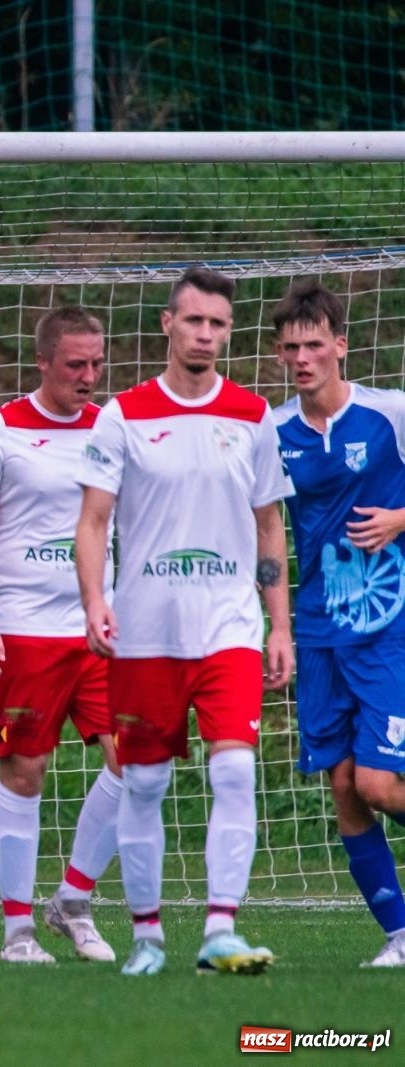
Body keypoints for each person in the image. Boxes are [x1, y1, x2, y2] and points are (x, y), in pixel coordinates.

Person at [75, 266, 293, 976]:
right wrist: (94, 599)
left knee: (235, 771)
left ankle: (220, 929)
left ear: (229, 332)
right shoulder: (123, 414)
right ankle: (147, 937)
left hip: (229, 629)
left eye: (217, 324)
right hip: (145, 633)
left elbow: (269, 526)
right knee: (144, 783)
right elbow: (93, 519)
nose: (205, 334)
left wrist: (279, 626)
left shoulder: (253, 416)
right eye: (193, 320)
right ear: (168, 324)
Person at [0, 307, 123, 965]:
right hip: (21, 629)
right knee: (25, 773)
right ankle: (18, 931)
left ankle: (73, 899)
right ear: (44, 362)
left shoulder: (112, 428)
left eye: (97, 363)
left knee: (137, 760)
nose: (89, 375)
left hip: (99, 629)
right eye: (76, 364)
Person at [269, 279, 405, 968]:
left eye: (315, 345)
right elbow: (263, 528)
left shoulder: (390, 414)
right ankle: (400, 935)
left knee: (379, 783)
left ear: (341, 346)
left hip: (388, 625)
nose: (303, 358)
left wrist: (401, 518)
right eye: (291, 347)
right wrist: (277, 626)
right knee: (346, 786)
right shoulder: (273, 433)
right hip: (320, 631)